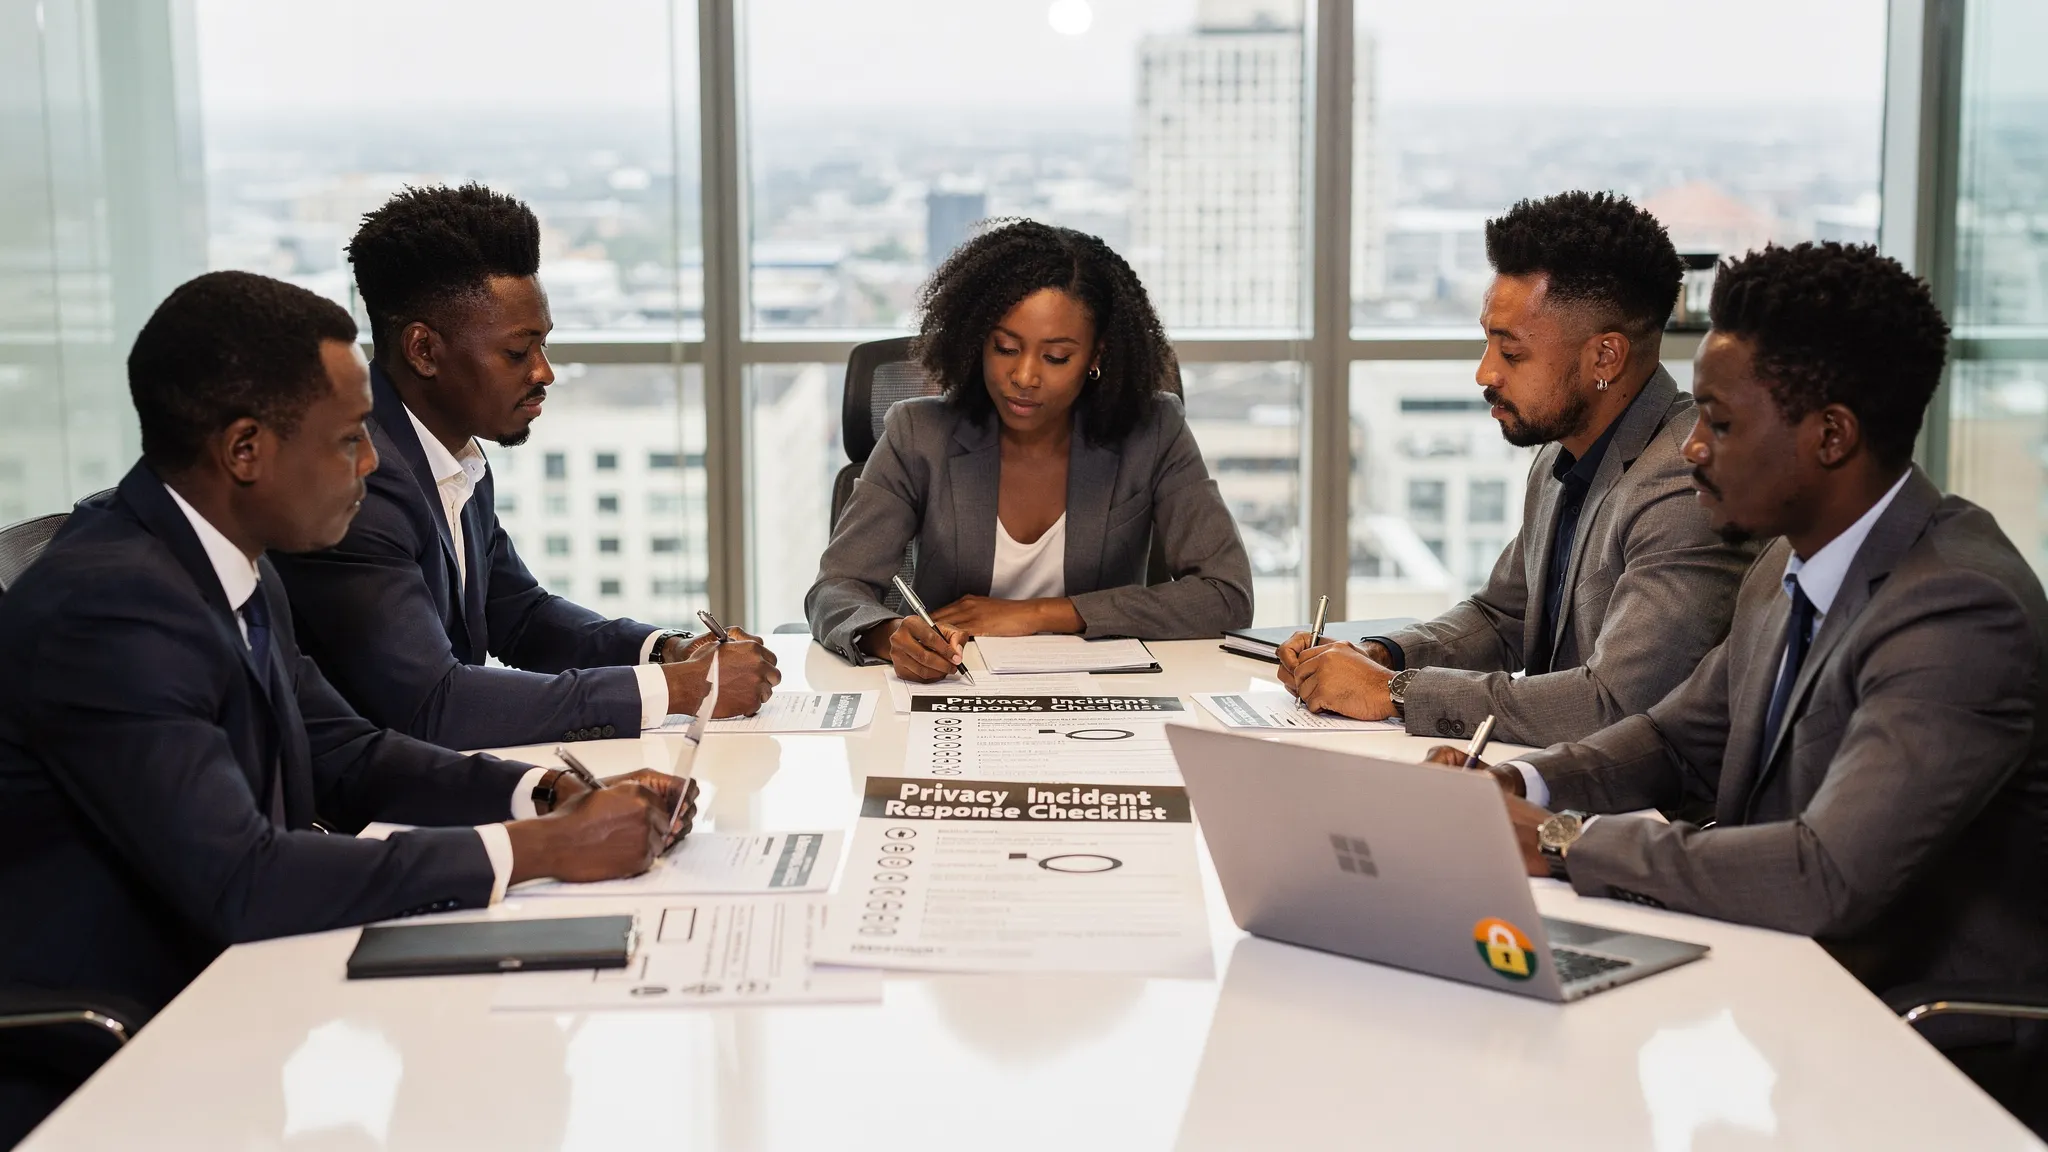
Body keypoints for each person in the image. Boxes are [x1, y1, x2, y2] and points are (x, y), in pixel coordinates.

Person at [0, 272, 700, 1142]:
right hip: (122, 1058)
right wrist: (539, 849)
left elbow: (350, 756)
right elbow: (244, 881)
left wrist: (542, 797)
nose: (372, 464)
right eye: (345, 442)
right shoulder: (113, 607)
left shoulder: (222, 559)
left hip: (247, 1000)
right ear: (245, 450)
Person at [1437, 243, 2048, 1119]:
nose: (1689, 448)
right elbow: (1674, 740)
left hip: (1927, 1058)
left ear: (1830, 436)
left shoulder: (1956, 610)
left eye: (1718, 423)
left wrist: (1561, 840)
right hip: (1784, 1000)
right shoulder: (1786, 567)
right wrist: (1515, 784)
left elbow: (1824, 871)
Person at [269, 184, 778, 751]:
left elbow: (519, 615)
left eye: (544, 345)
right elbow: (435, 707)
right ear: (424, 351)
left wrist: (668, 650)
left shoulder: (450, 450)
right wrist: (674, 690)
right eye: (518, 352)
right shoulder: (360, 482)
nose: (544, 372)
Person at [1277, 192, 1754, 747]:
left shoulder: (1683, 485)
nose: (1485, 373)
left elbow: (1612, 708)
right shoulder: (1561, 452)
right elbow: (1501, 615)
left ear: (1605, 357)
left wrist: (1395, 690)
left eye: (1513, 353)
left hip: (1642, 816)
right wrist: (1383, 655)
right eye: (1488, 342)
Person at [806, 219, 1253, 681]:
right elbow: (835, 590)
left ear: (1097, 355)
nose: (1024, 376)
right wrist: (890, 633)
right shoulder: (919, 433)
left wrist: (1040, 613)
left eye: (1056, 357)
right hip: (953, 693)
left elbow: (1226, 595)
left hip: (1102, 703)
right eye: (1004, 347)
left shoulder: (1154, 431)